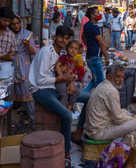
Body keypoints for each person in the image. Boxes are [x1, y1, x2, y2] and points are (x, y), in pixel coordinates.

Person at [29, 25, 77, 168]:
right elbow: (40, 80)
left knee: (88, 97)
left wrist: (72, 81)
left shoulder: (62, 54)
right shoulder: (46, 52)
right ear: (55, 37)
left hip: (55, 88)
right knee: (66, 115)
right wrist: (61, 80)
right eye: (61, 37)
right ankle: (66, 153)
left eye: (67, 38)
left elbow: (67, 72)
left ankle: (79, 133)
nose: (64, 40)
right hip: (41, 90)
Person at [84, 64, 136, 143]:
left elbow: (118, 113)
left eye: (122, 77)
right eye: (118, 77)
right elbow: (118, 118)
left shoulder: (103, 84)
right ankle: (121, 151)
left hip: (94, 128)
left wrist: (129, 116)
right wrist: (133, 118)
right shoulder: (111, 91)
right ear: (109, 77)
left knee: (125, 111)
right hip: (98, 132)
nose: (121, 80)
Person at [10, 15, 36, 124]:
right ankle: (9, 121)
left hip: (24, 66)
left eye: (18, 23)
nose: (16, 26)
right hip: (10, 65)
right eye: (13, 23)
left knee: (27, 93)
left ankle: (33, 119)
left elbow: (33, 52)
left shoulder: (27, 34)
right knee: (9, 93)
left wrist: (29, 45)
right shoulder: (7, 34)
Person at [83, 7, 110, 92]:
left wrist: (89, 45)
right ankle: (97, 101)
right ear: (92, 15)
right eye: (97, 13)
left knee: (94, 79)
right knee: (100, 82)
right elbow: (101, 43)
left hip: (89, 55)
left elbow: (83, 37)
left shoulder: (86, 25)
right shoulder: (95, 27)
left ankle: (81, 95)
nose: (99, 14)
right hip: (95, 56)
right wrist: (106, 57)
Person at [55, 40, 80, 111]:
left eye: (75, 49)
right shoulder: (64, 57)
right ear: (66, 48)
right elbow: (58, 65)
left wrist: (73, 76)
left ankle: (69, 107)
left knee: (76, 92)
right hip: (60, 81)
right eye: (71, 48)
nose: (73, 50)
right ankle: (61, 112)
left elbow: (71, 72)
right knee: (64, 96)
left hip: (67, 81)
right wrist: (60, 75)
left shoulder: (73, 62)